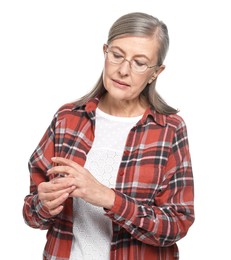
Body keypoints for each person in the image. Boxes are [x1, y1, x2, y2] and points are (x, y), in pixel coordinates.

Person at [23, 12, 195, 260]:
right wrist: (44, 205)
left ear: (156, 72)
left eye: (139, 62)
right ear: (105, 51)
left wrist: (108, 198)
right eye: (117, 55)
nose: (123, 70)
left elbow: (177, 224)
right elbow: (31, 212)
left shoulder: (169, 129)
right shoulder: (67, 119)